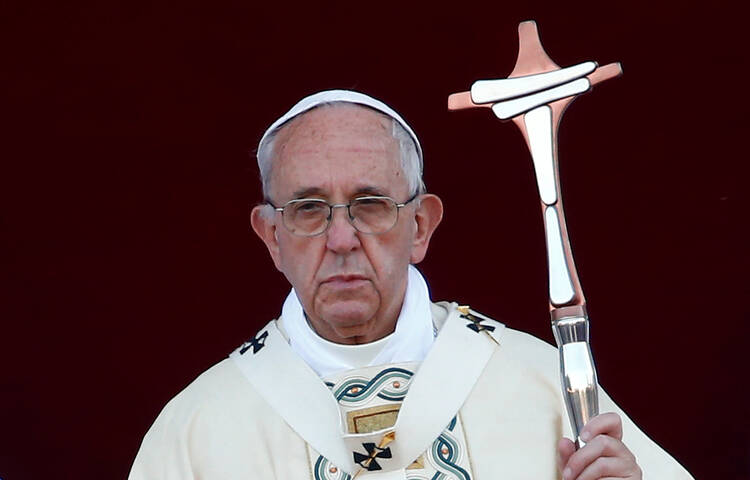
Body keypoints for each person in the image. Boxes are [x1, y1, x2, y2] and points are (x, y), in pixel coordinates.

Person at [129, 90, 693, 479]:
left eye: (371, 205)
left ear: (420, 225)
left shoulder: (541, 388)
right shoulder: (198, 430)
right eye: (308, 209)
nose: (342, 238)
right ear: (272, 236)